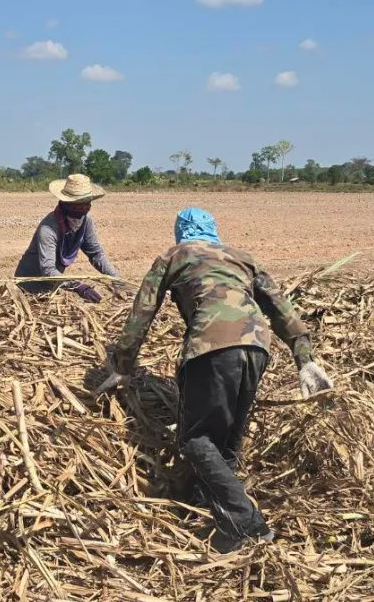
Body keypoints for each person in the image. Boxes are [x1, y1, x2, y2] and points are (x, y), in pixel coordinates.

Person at [106, 207, 334, 552]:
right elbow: (280, 307)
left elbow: (143, 311)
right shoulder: (241, 257)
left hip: (211, 345)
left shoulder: (173, 255)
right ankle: (209, 509)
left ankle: (247, 525)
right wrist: (304, 358)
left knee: (195, 439)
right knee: (225, 438)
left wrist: (122, 363)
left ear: (181, 231)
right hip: (257, 346)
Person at [14, 173, 120, 303]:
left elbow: (96, 254)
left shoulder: (85, 222)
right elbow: (48, 270)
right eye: (77, 205)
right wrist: (78, 286)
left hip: (53, 283)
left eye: (86, 204)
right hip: (29, 284)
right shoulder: (48, 229)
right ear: (64, 203)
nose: (82, 209)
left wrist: (116, 279)